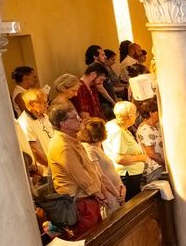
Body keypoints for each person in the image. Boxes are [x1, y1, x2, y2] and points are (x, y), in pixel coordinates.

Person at [48, 102, 105, 236]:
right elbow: (79, 174)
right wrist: (98, 193)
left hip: (87, 198)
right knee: (91, 239)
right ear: (64, 124)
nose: (79, 119)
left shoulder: (71, 140)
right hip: (80, 202)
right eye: (74, 117)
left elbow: (88, 167)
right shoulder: (63, 145)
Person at [104, 101, 149, 199]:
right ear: (129, 116)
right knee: (132, 202)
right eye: (135, 113)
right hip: (128, 174)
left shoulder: (113, 124)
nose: (136, 116)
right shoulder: (118, 132)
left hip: (129, 173)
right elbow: (119, 159)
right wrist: (140, 157)